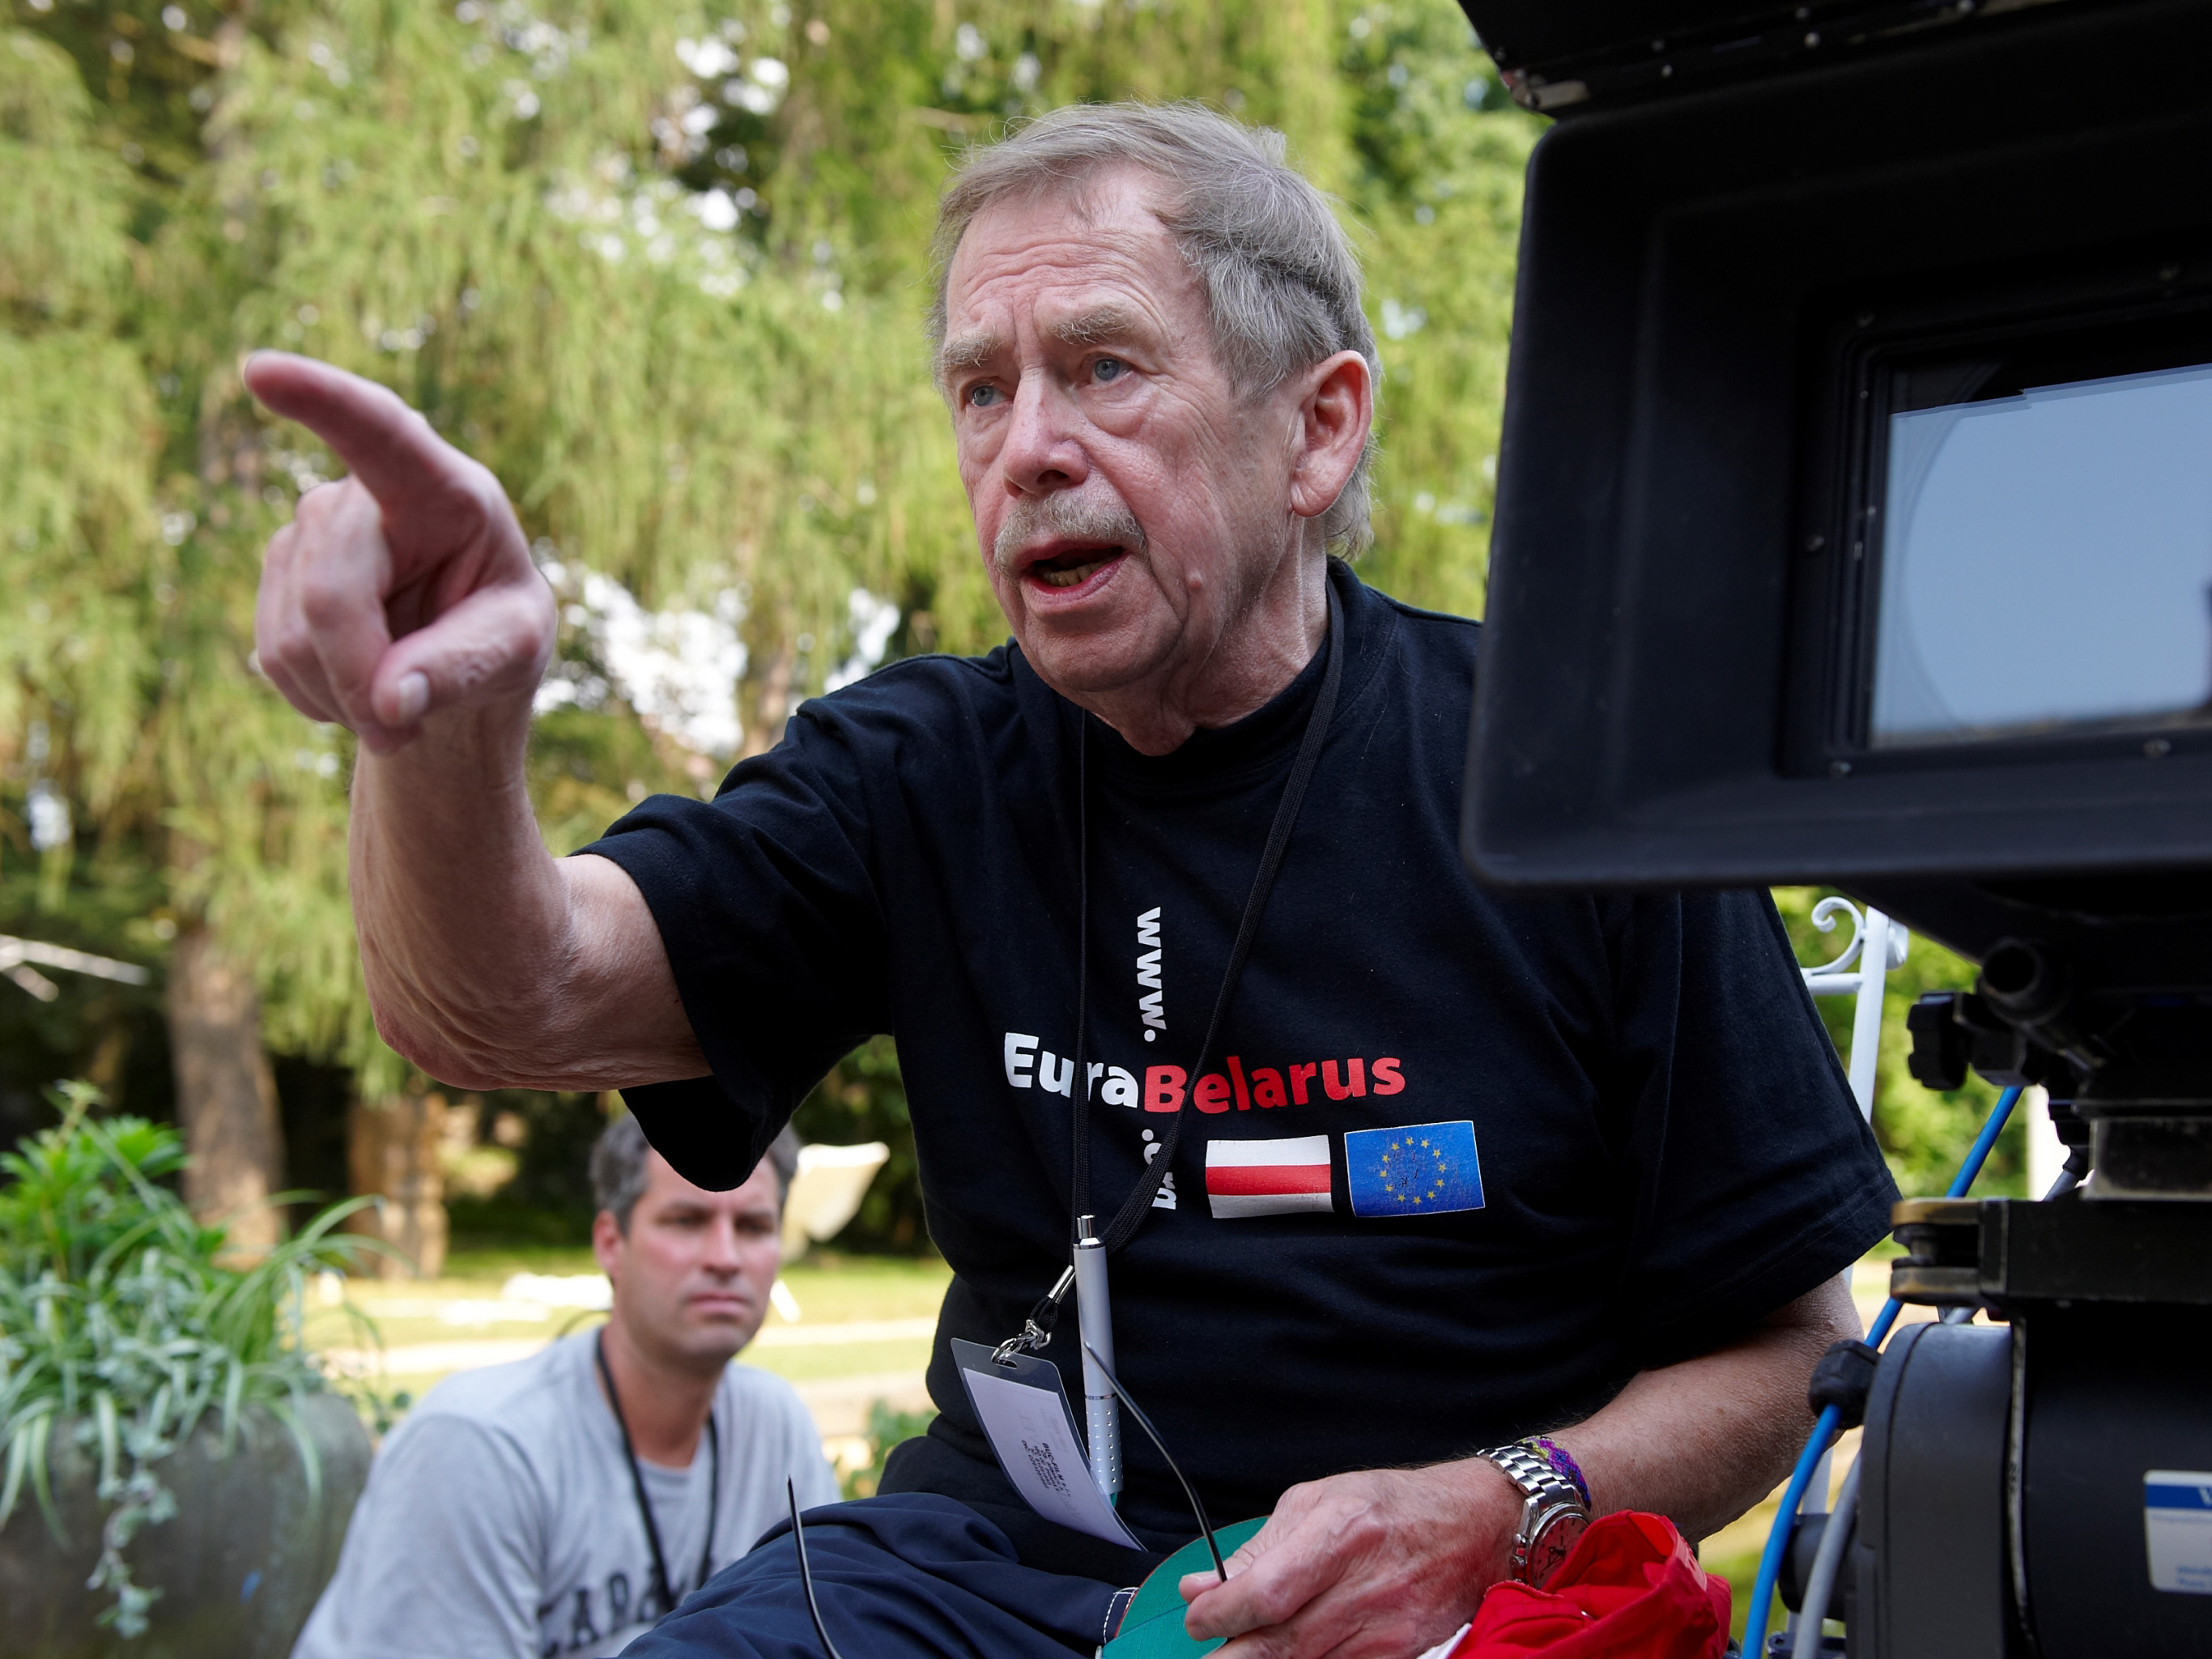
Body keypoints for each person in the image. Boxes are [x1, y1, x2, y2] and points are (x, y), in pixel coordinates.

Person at [246, 101, 1897, 1659]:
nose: (1027, 447)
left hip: (1437, 1603)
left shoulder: (1564, 776)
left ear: (1315, 428)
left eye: (1104, 367)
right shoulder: (915, 769)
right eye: (981, 389)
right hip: (986, 1578)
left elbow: (1798, 1346)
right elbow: (500, 1003)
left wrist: (1492, 1509)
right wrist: (434, 728)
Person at [291, 1118, 837, 1659]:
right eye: (686, 1220)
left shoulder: (774, 1428)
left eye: (753, 1226)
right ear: (611, 1243)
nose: (725, 1257)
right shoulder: (481, 1445)